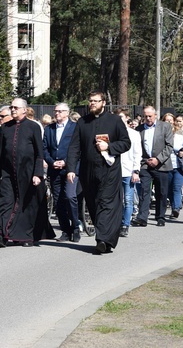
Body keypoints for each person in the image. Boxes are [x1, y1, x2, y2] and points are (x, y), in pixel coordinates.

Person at [66, 91, 131, 254]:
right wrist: (71, 169)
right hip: (88, 171)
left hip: (109, 170)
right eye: (90, 101)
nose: (92, 104)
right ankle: (105, 238)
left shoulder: (114, 121)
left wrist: (109, 147)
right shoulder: (82, 122)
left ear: (103, 102)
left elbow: (126, 143)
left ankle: (101, 239)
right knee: (93, 203)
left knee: (106, 203)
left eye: (95, 101)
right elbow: (74, 147)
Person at [0, 98, 45, 247]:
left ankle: (25, 237)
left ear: (24, 110)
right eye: (11, 107)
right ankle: (0, 235)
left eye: (15, 107)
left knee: (25, 204)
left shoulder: (33, 127)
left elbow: (40, 152)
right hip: (7, 172)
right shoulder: (5, 127)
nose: (12, 110)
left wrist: (37, 173)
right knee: (3, 202)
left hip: (27, 171)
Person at [43, 102, 80, 242]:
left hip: (70, 168)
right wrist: (52, 162)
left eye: (59, 111)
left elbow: (78, 149)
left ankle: (76, 226)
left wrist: (66, 161)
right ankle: (65, 230)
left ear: (66, 112)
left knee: (70, 197)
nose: (56, 113)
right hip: (55, 170)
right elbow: (44, 148)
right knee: (58, 202)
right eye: (55, 111)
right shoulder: (49, 129)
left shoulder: (75, 127)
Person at [133, 106, 173, 227]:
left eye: (150, 116)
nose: (148, 118)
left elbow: (169, 146)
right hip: (145, 164)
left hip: (161, 165)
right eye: (146, 116)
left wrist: (158, 159)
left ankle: (160, 216)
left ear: (155, 115)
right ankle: (142, 217)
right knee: (145, 191)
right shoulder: (139, 129)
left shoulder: (165, 127)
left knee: (161, 192)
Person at [116, 108, 141, 237]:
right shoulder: (113, 133)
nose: (119, 119)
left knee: (128, 199)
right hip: (114, 171)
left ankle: (125, 224)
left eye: (121, 116)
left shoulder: (134, 134)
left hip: (128, 170)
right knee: (116, 200)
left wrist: (136, 171)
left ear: (127, 118)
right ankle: (117, 223)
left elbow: (137, 153)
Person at [168, 114, 183, 220]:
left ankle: (175, 209)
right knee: (168, 189)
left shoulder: (180, 136)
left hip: (178, 166)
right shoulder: (160, 136)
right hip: (166, 166)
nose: (169, 123)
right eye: (166, 121)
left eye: (171, 121)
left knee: (176, 188)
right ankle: (173, 206)